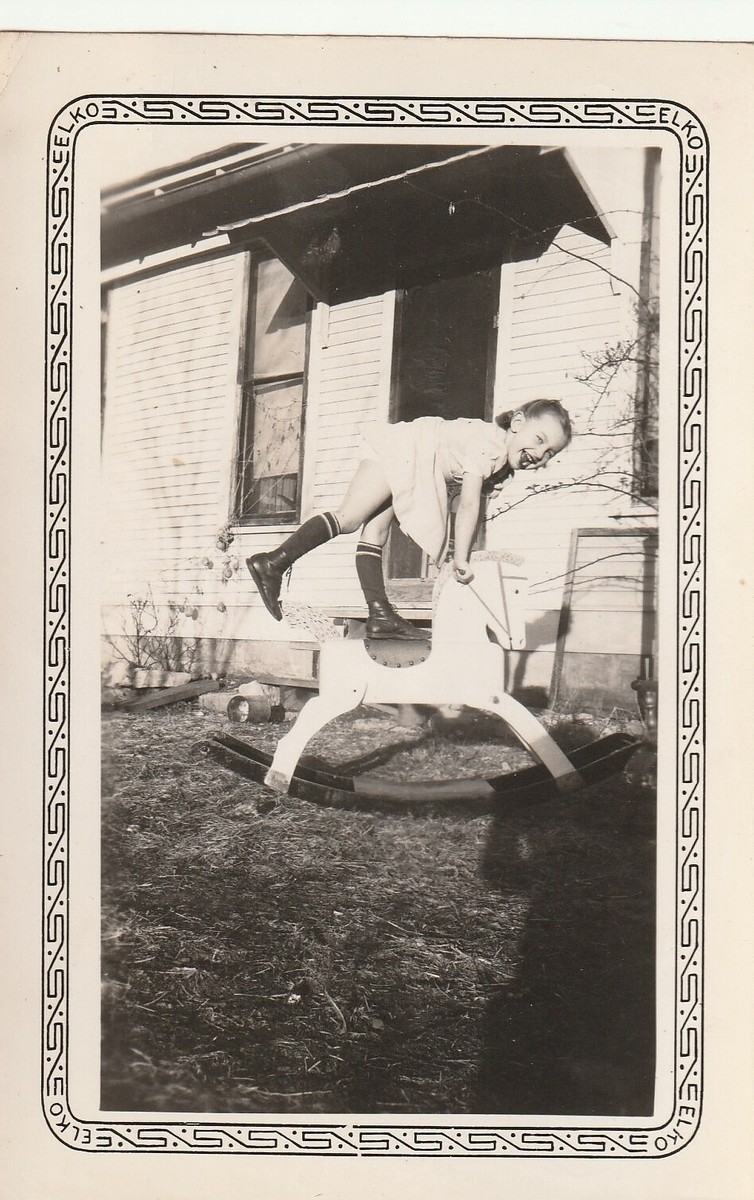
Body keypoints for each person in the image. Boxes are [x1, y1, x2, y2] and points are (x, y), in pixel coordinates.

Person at [247, 398, 572, 640]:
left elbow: (471, 493)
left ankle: (379, 615)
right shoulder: (490, 444)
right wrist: (461, 558)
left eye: (549, 454)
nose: (539, 455)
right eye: (539, 440)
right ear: (517, 423)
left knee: (376, 532)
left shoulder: (500, 461)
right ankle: (273, 563)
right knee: (349, 518)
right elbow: (470, 504)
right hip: (405, 448)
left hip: (415, 455)